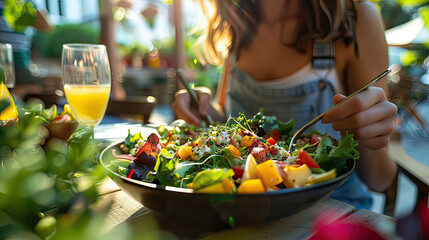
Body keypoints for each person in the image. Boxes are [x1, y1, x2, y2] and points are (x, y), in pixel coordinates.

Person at [173, 0, 398, 209]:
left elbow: (380, 179)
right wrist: (201, 107)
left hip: (328, 215)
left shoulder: (355, 19)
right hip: (241, 210)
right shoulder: (238, 18)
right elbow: (227, 119)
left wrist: (371, 138)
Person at [0, 0, 51, 94]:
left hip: (18, 65)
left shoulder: (24, 3)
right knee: (49, 85)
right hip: (17, 65)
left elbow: (46, 26)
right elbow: (47, 26)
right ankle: (22, 91)